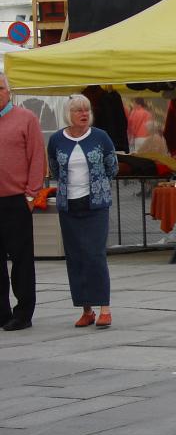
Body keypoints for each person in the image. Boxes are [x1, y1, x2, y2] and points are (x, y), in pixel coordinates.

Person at [48, 94, 119, 328]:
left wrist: (98, 185)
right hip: (69, 205)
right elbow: (55, 168)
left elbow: (112, 167)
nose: (84, 114)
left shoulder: (101, 137)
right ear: (68, 114)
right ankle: (86, 309)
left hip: (95, 204)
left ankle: (105, 308)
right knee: (76, 256)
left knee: (95, 254)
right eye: (78, 110)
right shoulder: (57, 139)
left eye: (87, 110)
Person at [0, 73, 46, 331]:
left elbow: (37, 157)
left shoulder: (26, 119)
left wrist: (30, 195)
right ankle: (1, 313)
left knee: (21, 260)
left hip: (17, 200)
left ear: (9, 91)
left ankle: (23, 313)